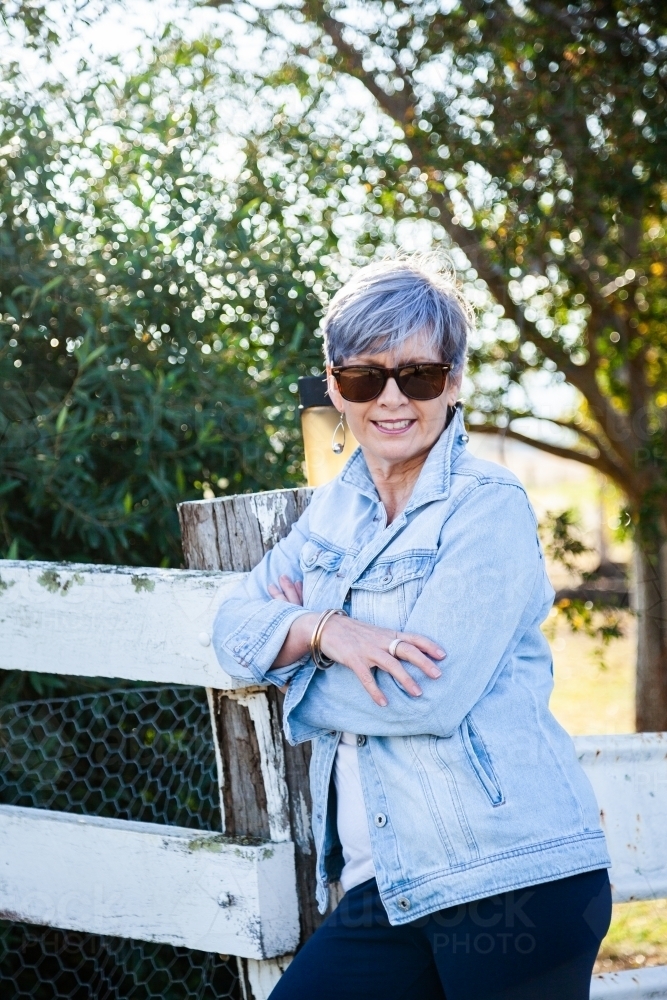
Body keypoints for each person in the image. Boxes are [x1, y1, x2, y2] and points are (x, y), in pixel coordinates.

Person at [212, 255, 611, 1000]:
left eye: (419, 375)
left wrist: (291, 675)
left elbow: (425, 697)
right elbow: (232, 623)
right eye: (366, 377)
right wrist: (324, 629)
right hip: (392, 887)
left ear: (453, 382)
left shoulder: (484, 506)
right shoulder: (331, 512)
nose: (391, 400)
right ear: (334, 385)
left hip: (510, 876)